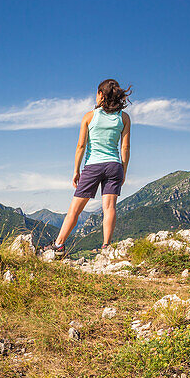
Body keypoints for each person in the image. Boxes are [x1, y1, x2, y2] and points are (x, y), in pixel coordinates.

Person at [45, 79, 131, 260]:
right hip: (114, 165)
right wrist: (123, 169)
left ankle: (58, 245)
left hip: (93, 166)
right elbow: (125, 148)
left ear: (101, 94)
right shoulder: (124, 118)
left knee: (75, 210)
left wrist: (76, 170)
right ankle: (106, 246)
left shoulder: (89, 116)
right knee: (109, 208)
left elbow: (81, 146)